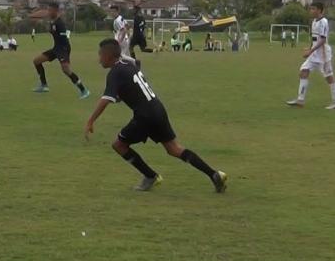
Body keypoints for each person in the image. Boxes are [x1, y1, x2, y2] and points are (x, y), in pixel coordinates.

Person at [85, 38, 228, 193]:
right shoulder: (128, 66)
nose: (99, 60)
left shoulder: (115, 73)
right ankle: (214, 174)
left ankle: (150, 176)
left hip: (144, 116)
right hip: (157, 109)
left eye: (100, 55)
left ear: (108, 55)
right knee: (174, 149)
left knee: (119, 145)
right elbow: (129, 89)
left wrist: (90, 121)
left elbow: (106, 99)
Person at [286, 2, 335, 110]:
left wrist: (310, 51)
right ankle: (300, 100)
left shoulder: (323, 22)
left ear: (320, 10)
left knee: (329, 77)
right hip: (314, 54)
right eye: (310, 9)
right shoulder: (314, 21)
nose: (311, 11)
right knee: (303, 72)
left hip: (323, 55)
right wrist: (310, 47)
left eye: (313, 9)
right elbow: (315, 38)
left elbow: (323, 39)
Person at [32, 3, 90, 99]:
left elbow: (63, 38)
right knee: (36, 61)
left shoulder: (60, 23)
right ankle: (44, 85)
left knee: (66, 70)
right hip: (56, 48)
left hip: (63, 48)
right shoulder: (52, 22)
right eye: (48, 10)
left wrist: (63, 54)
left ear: (55, 11)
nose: (48, 12)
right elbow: (52, 31)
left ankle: (84, 90)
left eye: (50, 10)